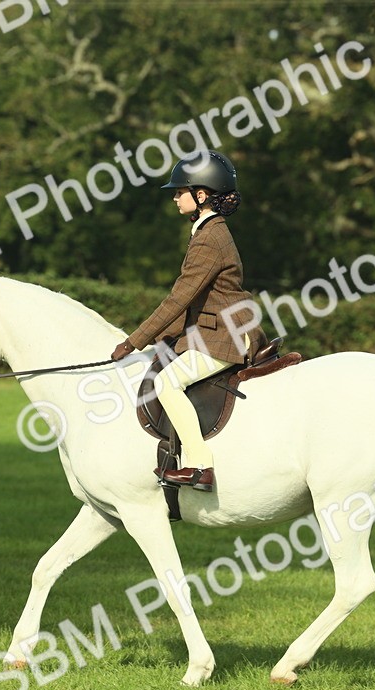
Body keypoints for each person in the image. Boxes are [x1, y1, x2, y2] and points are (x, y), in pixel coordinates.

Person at [110, 150, 268, 492]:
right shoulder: (207, 230)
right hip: (217, 328)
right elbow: (193, 302)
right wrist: (161, 336)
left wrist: (133, 341)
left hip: (226, 334)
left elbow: (179, 298)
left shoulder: (210, 238)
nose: (174, 196)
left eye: (179, 191)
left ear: (201, 195)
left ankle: (199, 465)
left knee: (166, 383)